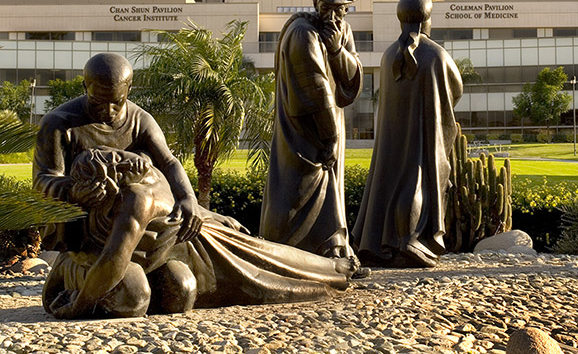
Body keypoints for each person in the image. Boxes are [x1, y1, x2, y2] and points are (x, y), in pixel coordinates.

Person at [33, 53, 354, 319]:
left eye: (116, 102)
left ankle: (332, 272)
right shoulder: (60, 125)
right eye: (98, 101)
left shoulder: (139, 121)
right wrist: (72, 192)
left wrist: (188, 200)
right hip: (90, 244)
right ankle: (87, 282)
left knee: (191, 283)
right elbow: (43, 181)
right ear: (85, 85)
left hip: (154, 239)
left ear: (128, 90)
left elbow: (170, 163)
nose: (108, 112)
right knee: (132, 298)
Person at [352, 0, 463, 268]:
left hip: (392, 135)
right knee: (419, 176)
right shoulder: (435, 53)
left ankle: (381, 242)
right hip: (423, 131)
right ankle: (409, 238)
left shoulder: (389, 54)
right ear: (427, 19)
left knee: (390, 180)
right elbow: (457, 87)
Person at [260, 0, 363, 262]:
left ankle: (335, 251)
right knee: (297, 190)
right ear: (316, 5)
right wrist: (329, 137)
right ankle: (288, 254)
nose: (334, 16)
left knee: (330, 190)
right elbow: (315, 90)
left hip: (330, 123)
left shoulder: (340, 32)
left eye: (341, 10)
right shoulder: (302, 33)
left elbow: (352, 76)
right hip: (305, 129)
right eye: (328, 8)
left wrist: (336, 50)